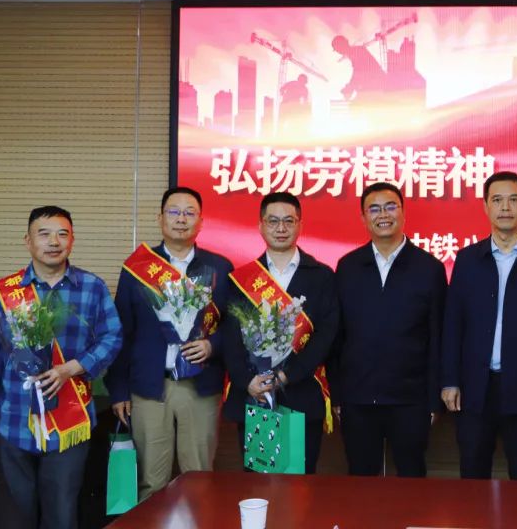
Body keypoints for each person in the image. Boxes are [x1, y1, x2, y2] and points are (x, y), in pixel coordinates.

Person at [0, 206, 122, 529]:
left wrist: (72, 368)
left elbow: (113, 337)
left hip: (70, 422)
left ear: (72, 240)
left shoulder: (92, 287)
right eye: (44, 234)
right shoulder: (4, 291)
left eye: (62, 234)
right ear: (28, 241)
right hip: (14, 420)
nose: (53, 242)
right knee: (15, 515)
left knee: (62, 513)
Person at [106, 187, 233, 499]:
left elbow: (234, 327)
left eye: (190, 213)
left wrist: (212, 345)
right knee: (151, 480)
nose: (181, 219)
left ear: (201, 221)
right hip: (150, 387)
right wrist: (119, 389)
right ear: (160, 218)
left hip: (200, 387)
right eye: (174, 212)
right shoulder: (137, 268)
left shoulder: (219, 267)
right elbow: (121, 332)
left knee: (200, 477)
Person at [440, 171, 517, 480]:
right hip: (475, 388)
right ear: (486, 207)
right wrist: (450, 380)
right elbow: (453, 324)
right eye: (497, 200)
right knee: (473, 474)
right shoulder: (467, 259)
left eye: (513, 200)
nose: (505, 208)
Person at [330, 182, 447, 477]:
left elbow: (437, 339)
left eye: (390, 206)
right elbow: (337, 337)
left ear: (403, 213)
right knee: (361, 479)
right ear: (363, 218)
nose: (383, 214)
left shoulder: (429, 268)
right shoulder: (347, 267)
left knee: (411, 478)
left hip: (410, 399)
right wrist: (338, 395)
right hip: (357, 398)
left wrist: (433, 400)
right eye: (374, 209)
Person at [223, 191, 338, 474]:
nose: (281, 228)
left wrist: (287, 376)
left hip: (302, 394)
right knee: (258, 483)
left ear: (300, 225)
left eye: (289, 221)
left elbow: (326, 335)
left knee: (300, 484)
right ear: (261, 226)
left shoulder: (322, 276)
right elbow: (230, 338)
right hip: (255, 395)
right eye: (273, 221)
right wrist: (247, 381)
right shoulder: (242, 279)